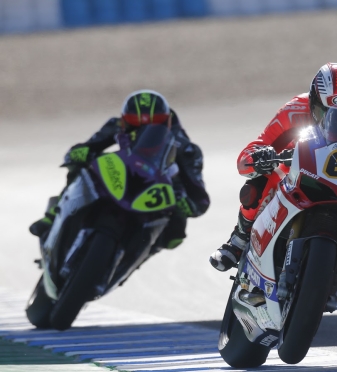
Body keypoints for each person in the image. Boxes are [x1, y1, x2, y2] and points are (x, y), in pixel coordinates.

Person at [208, 63, 337, 311]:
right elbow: (254, 148)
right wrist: (259, 157)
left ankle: (332, 281)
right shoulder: (295, 109)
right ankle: (238, 240)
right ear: (314, 101)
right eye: (329, 112)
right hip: (301, 174)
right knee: (259, 182)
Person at [29, 90, 210, 252]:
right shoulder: (116, 125)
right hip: (123, 177)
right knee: (83, 168)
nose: (142, 131)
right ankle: (54, 215)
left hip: (157, 191)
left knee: (173, 238)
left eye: (153, 125)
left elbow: (200, 197)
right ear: (125, 121)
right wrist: (80, 153)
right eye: (134, 124)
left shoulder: (187, 149)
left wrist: (186, 204)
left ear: (166, 122)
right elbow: (87, 147)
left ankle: (138, 253)